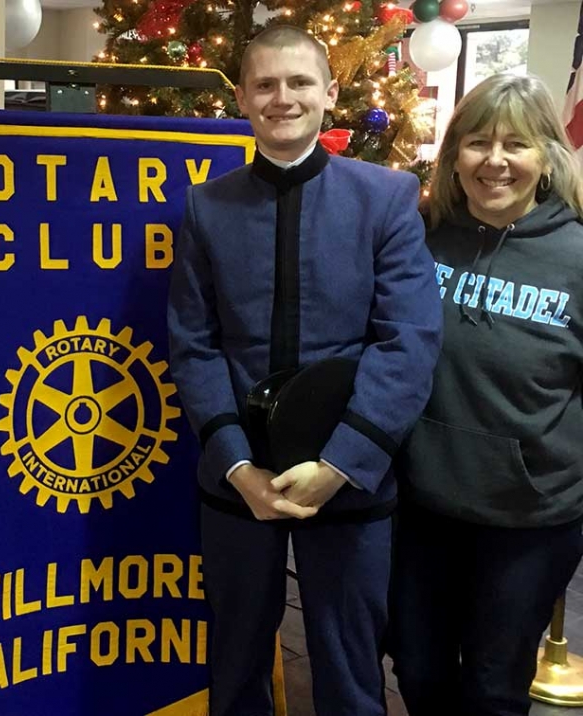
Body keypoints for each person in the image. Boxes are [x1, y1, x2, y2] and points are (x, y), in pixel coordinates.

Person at [167, 26, 443, 716]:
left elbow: (407, 340)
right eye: (264, 84)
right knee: (234, 664)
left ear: (330, 92)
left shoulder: (386, 198)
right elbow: (194, 344)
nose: (281, 98)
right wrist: (236, 464)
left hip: (350, 473)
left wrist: (341, 462)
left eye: (297, 83)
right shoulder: (207, 207)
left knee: (350, 669)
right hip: (238, 478)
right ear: (242, 97)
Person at [389, 73, 583, 716]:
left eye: (515, 145)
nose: (494, 161)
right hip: (421, 504)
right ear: (453, 156)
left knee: (494, 690)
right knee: (418, 668)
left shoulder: (577, 255)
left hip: (530, 518)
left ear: (546, 156)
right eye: (476, 143)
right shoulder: (418, 234)